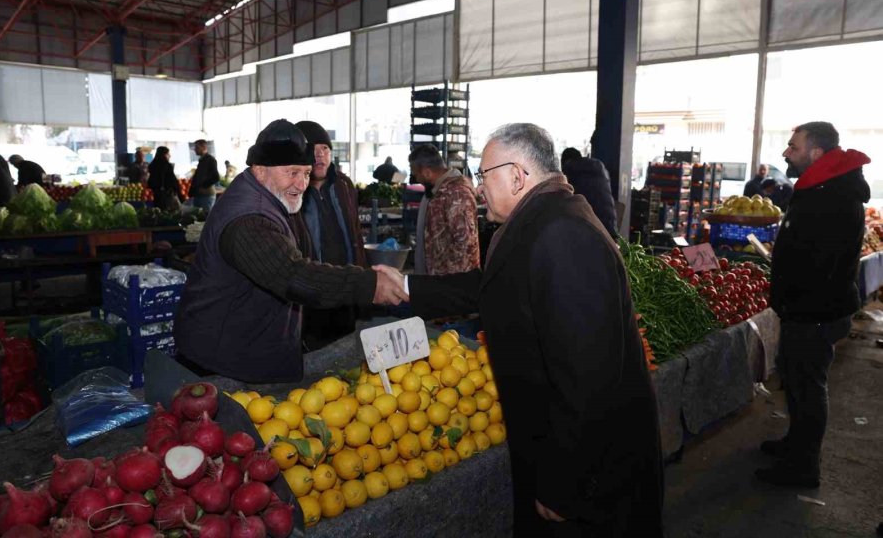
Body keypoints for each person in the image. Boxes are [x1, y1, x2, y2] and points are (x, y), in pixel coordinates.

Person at [379, 123, 664, 536]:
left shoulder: (564, 234)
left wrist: (564, 483)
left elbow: (588, 378)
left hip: (591, 479)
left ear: (517, 175)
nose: (478, 190)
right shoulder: (542, 220)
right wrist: (405, 287)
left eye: (483, 176)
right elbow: (492, 286)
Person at [174, 119, 405, 383]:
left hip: (243, 353)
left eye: (306, 173)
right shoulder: (249, 221)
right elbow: (292, 275)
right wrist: (369, 284)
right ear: (260, 170)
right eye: (291, 172)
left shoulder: (272, 197)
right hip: (219, 367)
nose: (301, 184)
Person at [756, 121, 870, 488]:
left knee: (808, 387)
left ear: (816, 153)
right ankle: (796, 444)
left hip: (816, 311)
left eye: (792, 147)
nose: (786, 153)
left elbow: (822, 261)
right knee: (798, 382)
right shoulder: (821, 187)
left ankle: (804, 468)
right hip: (806, 308)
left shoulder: (834, 196)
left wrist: (794, 301)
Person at [296, 120, 367, 350]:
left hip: (347, 286)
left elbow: (356, 232)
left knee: (347, 350)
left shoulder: (344, 185)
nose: (320, 156)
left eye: (324, 149)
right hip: (312, 292)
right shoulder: (295, 190)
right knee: (315, 355)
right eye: (313, 150)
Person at [408, 144, 480, 275]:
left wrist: (443, 284)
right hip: (438, 282)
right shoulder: (435, 193)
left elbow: (464, 247)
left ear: (427, 173)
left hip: (452, 285)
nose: (416, 179)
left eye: (416, 175)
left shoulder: (457, 194)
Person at [560, 147, 618, 238]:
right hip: (610, 229)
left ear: (565, 161)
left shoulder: (570, 171)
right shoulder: (599, 169)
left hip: (592, 233)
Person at [147, 146, 184, 211]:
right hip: (167, 195)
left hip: (156, 195)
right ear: (164, 154)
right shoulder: (167, 166)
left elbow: (150, 182)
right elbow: (173, 181)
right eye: (168, 154)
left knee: (159, 213)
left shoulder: (152, 166)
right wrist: (180, 196)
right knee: (168, 214)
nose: (169, 156)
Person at [191, 139, 220, 212]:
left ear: (204, 147)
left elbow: (216, 177)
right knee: (197, 217)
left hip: (206, 195)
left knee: (206, 218)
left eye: (197, 148)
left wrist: (203, 186)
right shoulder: (201, 160)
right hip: (199, 194)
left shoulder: (211, 160)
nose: (195, 150)